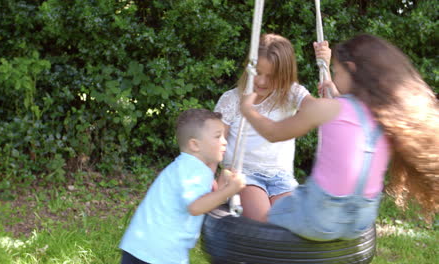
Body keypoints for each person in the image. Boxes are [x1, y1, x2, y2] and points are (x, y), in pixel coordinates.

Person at [240, 34, 438, 241]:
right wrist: (329, 76)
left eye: (335, 72)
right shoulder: (385, 115)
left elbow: (273, 133)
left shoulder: (328, 109)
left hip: (319, 217)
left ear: (350, 69)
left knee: (264, 225)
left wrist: (248, 110)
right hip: (361, 221)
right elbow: (352, 114)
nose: (332, 77)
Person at [214, 33, 322, 222]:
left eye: (271, 76)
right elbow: (214, 145)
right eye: (258, 73)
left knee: (293, 222)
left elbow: (316, 109)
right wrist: (212, 179)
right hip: (243, 175)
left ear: (284, 77)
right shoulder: (232, 100)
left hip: (281, 178)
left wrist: (325, 66)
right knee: (265, 221)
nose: (262, 82)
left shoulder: (289, 94)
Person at [118, 109, 246, 263]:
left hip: (143, 246)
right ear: (195, 145)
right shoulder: (193, 170)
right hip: (159, 252)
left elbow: (205, 198)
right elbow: (196, 207)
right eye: (218, 136)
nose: (225, 141)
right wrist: (229, 190)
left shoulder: (187, 166)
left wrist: (223, 184)